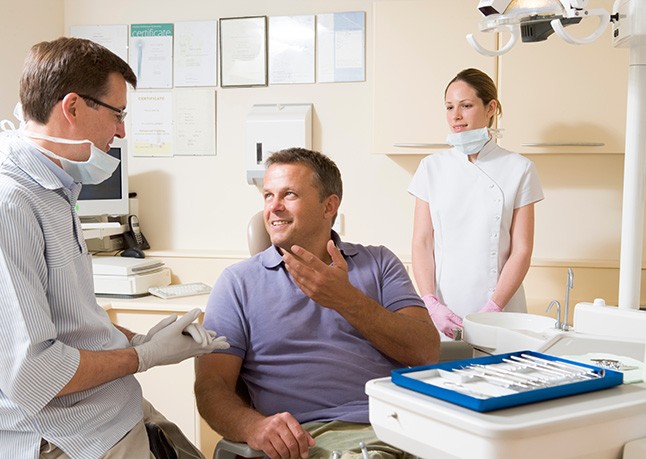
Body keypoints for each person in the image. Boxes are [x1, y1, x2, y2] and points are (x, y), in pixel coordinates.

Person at [0, 37, 229, 459]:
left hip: (115, 410)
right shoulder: (11, 204)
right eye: (117, 113)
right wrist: (143, 356)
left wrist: (141, 338)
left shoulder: (55, 189)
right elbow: (31, 373)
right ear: (72, 107)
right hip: (73, 437)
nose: (121, 130)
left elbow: (71, 322)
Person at [195, 148, 439, 459]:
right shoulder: (237, 283)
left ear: (329, 206)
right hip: (315, 438)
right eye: (268, 195)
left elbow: (426, 351)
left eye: (289, 194)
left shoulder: (379, 262)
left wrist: (346, 300)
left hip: (406, 425)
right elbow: (211, 387)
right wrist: (254, 426)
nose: (274, 207)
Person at [409, 68, 544, 340]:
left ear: (490, 107)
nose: (455, 116)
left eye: (466, 106)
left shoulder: (519, 168)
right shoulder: (431, 167)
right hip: (444, 310)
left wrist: (494, 307)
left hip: (502, 312)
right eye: (449, 107)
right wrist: (430, 303)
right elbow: (422, 242)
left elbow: (521, 249)